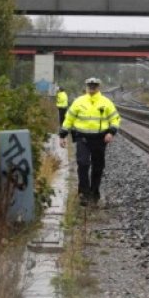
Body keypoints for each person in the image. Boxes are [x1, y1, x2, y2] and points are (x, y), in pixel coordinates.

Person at [59, 77, 120, 206]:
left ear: (99, 87)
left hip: (100, 139)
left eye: (95, 86)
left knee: (98, 167)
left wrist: (111, 132)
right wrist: (63, 135)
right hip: (83, 139)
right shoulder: (78, 102)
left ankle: (94, 193)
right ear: (86, 87)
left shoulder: (106, 102)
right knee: (83, 163)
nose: (92, 88)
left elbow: (115, 119)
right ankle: (84, 194)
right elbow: (69, 118)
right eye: (89, 86)